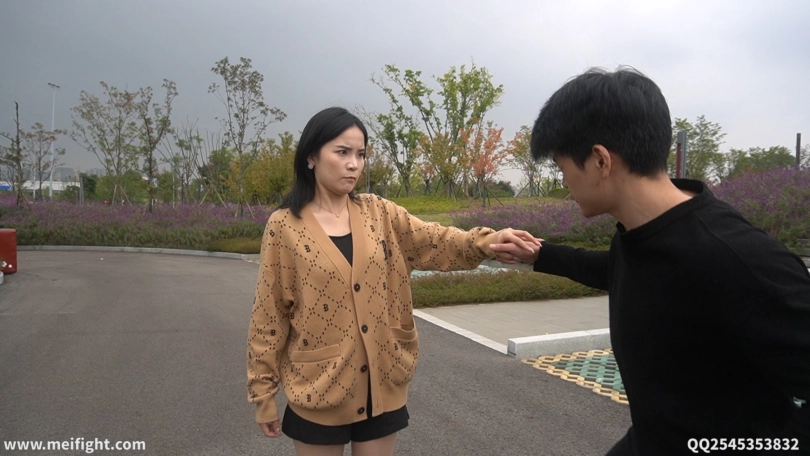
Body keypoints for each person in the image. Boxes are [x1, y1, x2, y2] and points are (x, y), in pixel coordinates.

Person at [490, 67, 810, 455]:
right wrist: (540, 254)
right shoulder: (641, 235)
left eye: (562, 168)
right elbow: (624, 271)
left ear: (600, 161)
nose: (564, 184)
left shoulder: (735, 257)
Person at [246, 106, 538, 456]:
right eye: (342, 152)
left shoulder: (379, 213)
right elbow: (269, 315)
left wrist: (487, 242)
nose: (354, 164)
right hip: (318, 385)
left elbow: (436, 240)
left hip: (381, 383)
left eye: (361, 154)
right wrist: (263, 394)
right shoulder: (284, 227)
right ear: (311, 156)